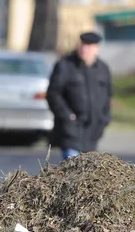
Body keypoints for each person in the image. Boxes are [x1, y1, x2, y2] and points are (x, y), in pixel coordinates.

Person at [46, 31, 113, 161]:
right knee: (73, 169)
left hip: (93, 132)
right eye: (82, 44)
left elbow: (108, 96)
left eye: (89, 46)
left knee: (89, 174)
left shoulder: (103, 69)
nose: (84, 49)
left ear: (97, 49)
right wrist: (67, 115)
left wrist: (105, 118)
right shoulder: (65, 65)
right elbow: (53, 94)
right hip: (71, 131)